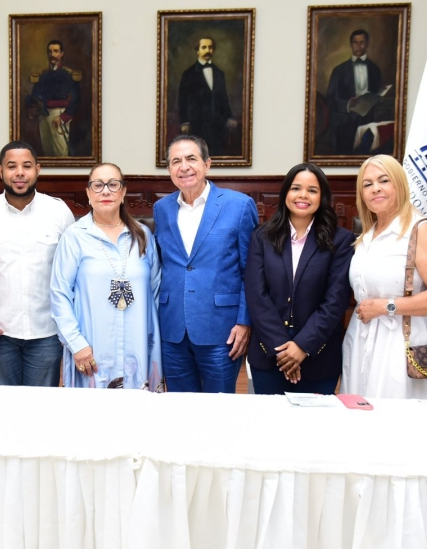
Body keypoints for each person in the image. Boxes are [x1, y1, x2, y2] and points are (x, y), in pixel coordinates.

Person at [341, 154, 427, 399]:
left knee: (397, 416)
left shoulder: (421, 229)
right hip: (361, 339)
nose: (375, 188)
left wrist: (387, 306)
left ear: (400, 185)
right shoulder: (366, 235)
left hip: (401, 343)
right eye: (367, 184)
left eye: (384, 180)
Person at [153, 135, 258, 393]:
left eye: (191, 158)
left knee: (218, 407)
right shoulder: (161, 209)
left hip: (222, 329)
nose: (184, 167)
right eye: (176, 161)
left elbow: (252, 271)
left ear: (207, 164)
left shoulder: (239, 205)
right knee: (179, 406)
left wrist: (245, 322)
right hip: (172, 328)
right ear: (169, 169)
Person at [0, 141, 75, 387]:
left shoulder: (59, 212)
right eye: (11, 166)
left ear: (37, 170)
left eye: (26, 166)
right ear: (0, 171)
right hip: (0, 333)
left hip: (47, 331)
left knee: (41, 404)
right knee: (4, 403)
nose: (19, 173)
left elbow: (71, 273)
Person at [244, 163, 356, 394]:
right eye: (296, 188)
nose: (303, 195)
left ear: (322, 197)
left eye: (312, 190)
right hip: (269, 352)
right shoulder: (262, 236)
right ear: (286, 193)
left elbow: (335, 300)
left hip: (318, 354)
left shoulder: (341, 240)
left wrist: (302, 346)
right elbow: (256, 296)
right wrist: (282, 349)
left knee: (314, 417)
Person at [51, 163, 162, 389]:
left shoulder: (143, 235)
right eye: (98, 185)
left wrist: (154, 342)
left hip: (138, 347)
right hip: (91, 348)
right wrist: (76, 343)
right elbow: (59, 294)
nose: (105, 191)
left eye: (113, 184)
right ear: (88, 193)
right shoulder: (74, 237)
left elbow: (156, 291)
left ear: (123, 192)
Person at [326, 29, 384, 154]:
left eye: (362, 42)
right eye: (355, 42)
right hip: (344, 124)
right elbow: (330, 99)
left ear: (367, 44)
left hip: (369, 122)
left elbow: (378, 96)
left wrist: (378, 98)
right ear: (351, 44)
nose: (358, 46)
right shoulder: (339, 70)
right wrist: (348, 104)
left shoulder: (375, 70)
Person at [178, 37, 237, 157]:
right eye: (204, 47)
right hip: (197, 125)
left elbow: (224, 98)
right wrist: (184, 122)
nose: (207, 50)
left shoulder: (219, 73)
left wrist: (229, 117)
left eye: (210, 47)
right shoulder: (188, 74)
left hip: (218, 125)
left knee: (217, 153)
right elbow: (182, 100)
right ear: (197, 50)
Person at [28, 40, 81, 157]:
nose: (52, 55)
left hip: (59, 115)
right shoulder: (42, 75)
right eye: (50, 51)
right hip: (43, 116)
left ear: (62, 54)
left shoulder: (68, 75)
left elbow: (76, 99)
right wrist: (33, 110)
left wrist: (63, 117)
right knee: (47, 153)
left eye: (56, 51)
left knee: (61, 154)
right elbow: (35, 96)